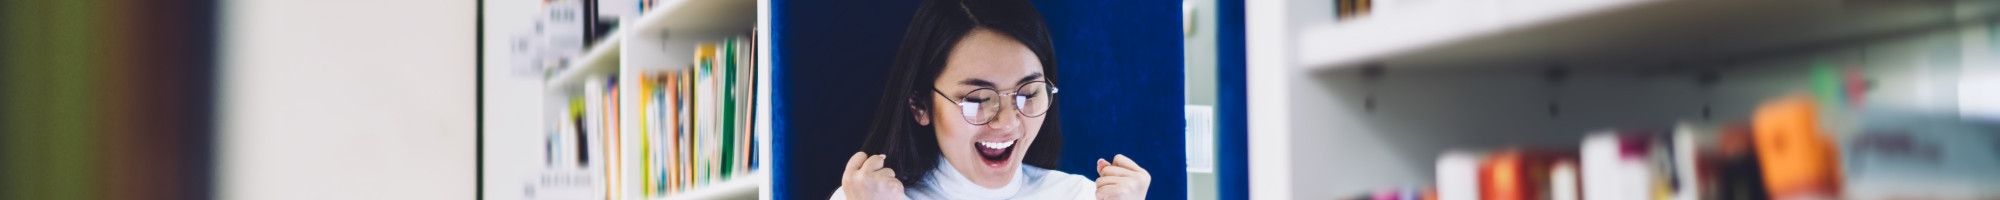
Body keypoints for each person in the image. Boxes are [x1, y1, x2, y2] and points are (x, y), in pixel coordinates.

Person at [828, 0, 1150, 199]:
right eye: (979, 99)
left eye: (1028, 94)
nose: (1009, 122)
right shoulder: (864, 199)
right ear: (920, 106)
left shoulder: (1081, 196)